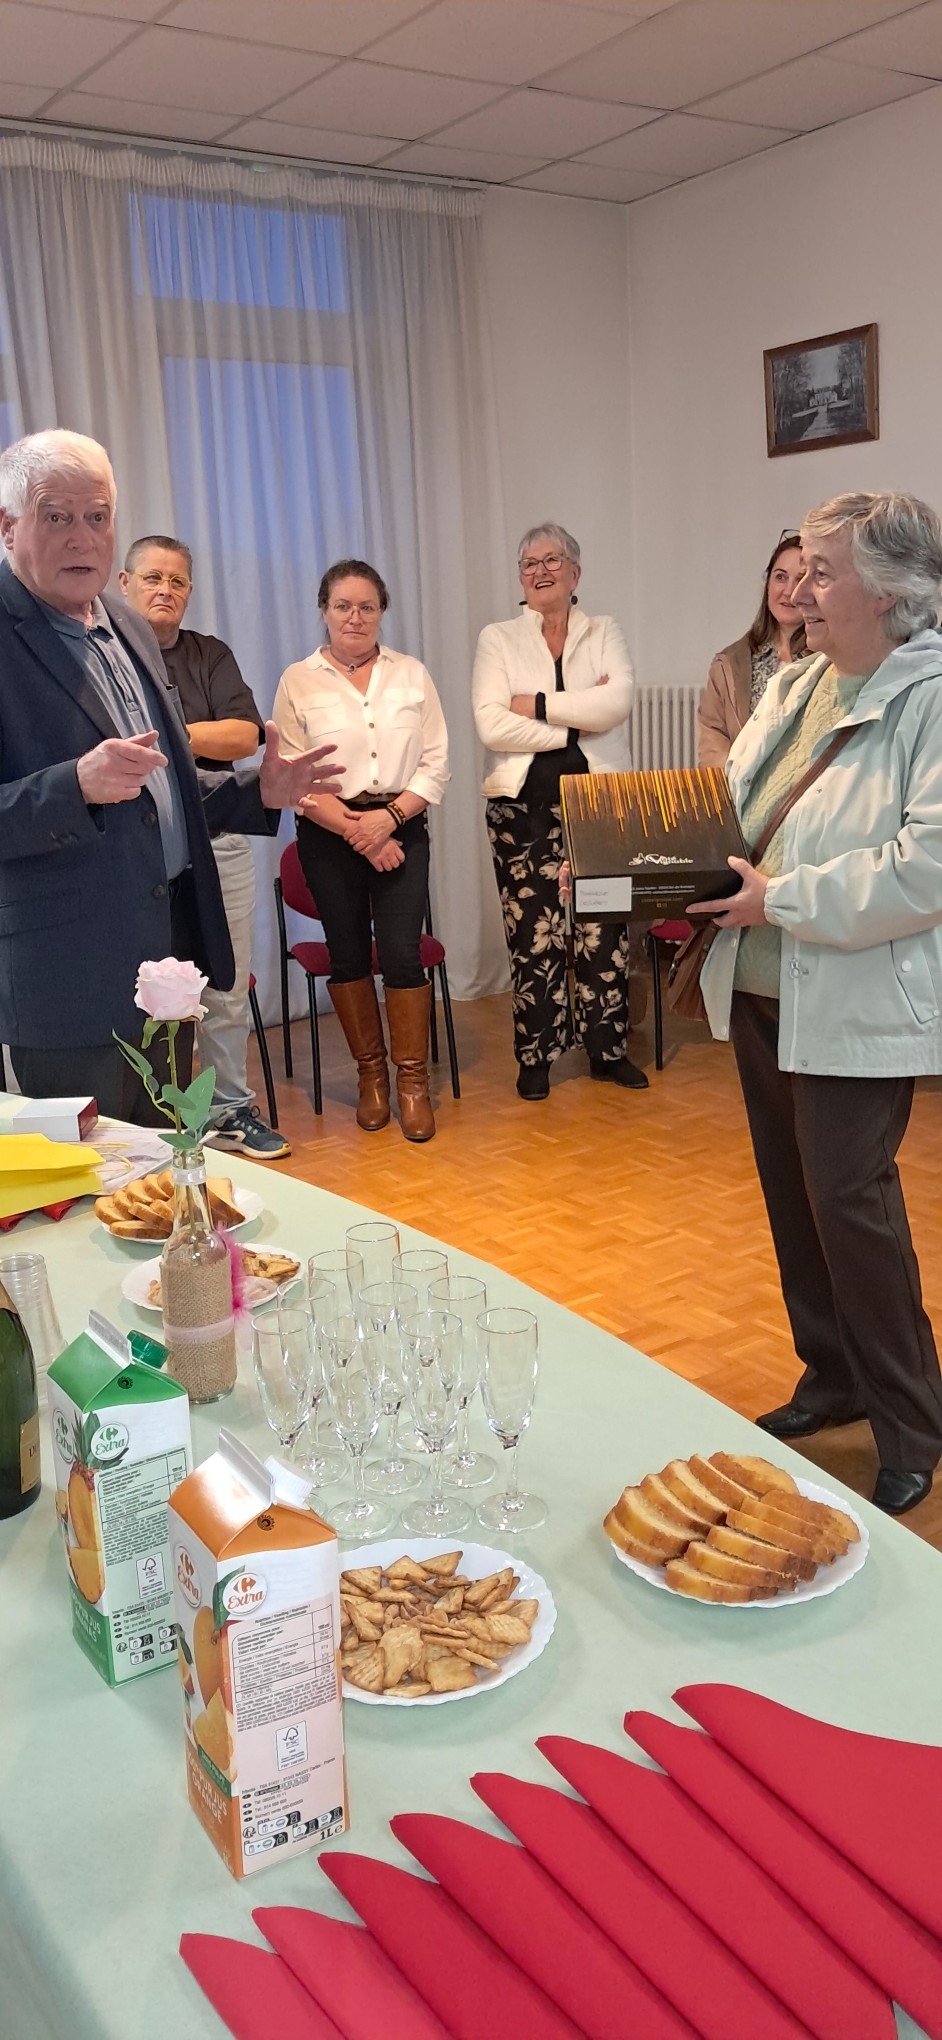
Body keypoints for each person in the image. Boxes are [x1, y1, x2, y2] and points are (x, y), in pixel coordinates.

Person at [691, 491, 942, 1517]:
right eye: (795, 568)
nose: (798, 588)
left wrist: (781, 900)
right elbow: (729, 810)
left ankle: (911, 1422)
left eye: (822, 571)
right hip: (763, 989)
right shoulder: (794, 683)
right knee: (796, 1199)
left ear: (886, 592)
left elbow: (925, 867)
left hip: (852, 999)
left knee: (852, 1207)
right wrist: (626, 864)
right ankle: (832, 1376)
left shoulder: (930, 697)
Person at [0, 429, 341, 1121]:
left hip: (166, 961)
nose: (81, 538)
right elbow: (91, 788)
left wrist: (256, 792)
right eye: (55, 516)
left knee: (163, 1159)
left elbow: (159, 789)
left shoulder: (126, 624)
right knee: (93, 1175)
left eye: (97, 516)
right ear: (8, 526)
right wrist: (74, 786)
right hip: (68, 980)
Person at [119, 535, 288, 1161]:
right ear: (124, 583)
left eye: (178, 581)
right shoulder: (109, 654)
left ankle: (228, 1109)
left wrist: (169, 733)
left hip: (220, 844)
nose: (165, 590)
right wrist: (198, 736)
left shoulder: (208, 653)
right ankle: (148, 1118)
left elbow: (244, 735)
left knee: (224, 984)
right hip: (136, 852)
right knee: (143, 988)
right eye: (153, 577)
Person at [272, 559, 449, 1144]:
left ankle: (412, 1083)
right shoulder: (298, 680)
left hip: (402, 823)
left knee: (401, 954)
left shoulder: (411, 674)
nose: (355, 616)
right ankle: (372, 1077)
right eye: (343, 606)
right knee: (347, 955)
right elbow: (292, 773)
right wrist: (359, 832)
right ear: (324, 610)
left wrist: (388, 820)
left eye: (367, 606)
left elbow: (436, 763)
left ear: (381, 612)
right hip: (329, 832)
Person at [472, 522, 647, 1101]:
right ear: (520, 577)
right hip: (520, 806)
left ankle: (607, 1051)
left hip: (602, 804)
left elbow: (617, 702)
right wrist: (577, 722)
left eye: (552, 560)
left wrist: (536, 705)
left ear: (575, 572)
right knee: (533, 934)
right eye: (529, 563)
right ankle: (537, 1057)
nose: (540, 571)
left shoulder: (605, 630)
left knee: (604, 929)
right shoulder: (498, 638)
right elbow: (491, 724)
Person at [697, 533, 807, 767]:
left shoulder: (831, 661)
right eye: (780, 577)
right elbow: (713, 739)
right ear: (767, 584)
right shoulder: (729, 663)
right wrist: (738, 778)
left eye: (800, 579)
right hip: (740, 787)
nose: (789, 591)